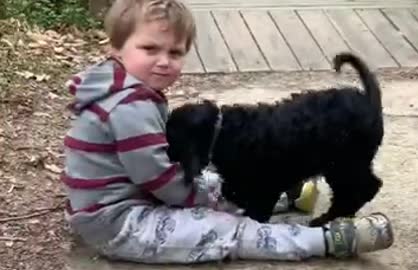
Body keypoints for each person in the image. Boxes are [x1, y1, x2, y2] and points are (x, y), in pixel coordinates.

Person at [61, 0, 394, 264]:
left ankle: (283, 196)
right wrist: (209, 201)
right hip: (121, 223)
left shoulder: (122, 89)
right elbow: (160, 181)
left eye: (175, 53)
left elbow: (158, 170)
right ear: (116, 49)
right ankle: (327, 240)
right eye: (150, 49)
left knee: (216, 186)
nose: (164, 61)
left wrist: (209, 194)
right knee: (227, 231)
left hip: (115, 201)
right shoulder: (129, 108)